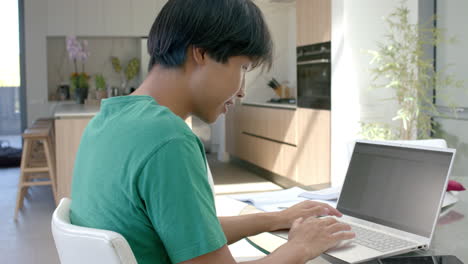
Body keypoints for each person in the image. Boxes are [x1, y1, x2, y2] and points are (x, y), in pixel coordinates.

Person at [69, 0, 355, 263]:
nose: (242, 90)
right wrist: (300, 247)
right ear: (201, 53)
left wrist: (275, 219)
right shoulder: (168, 139)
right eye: (242, 67)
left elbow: (186, 232)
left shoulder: (107, 122)